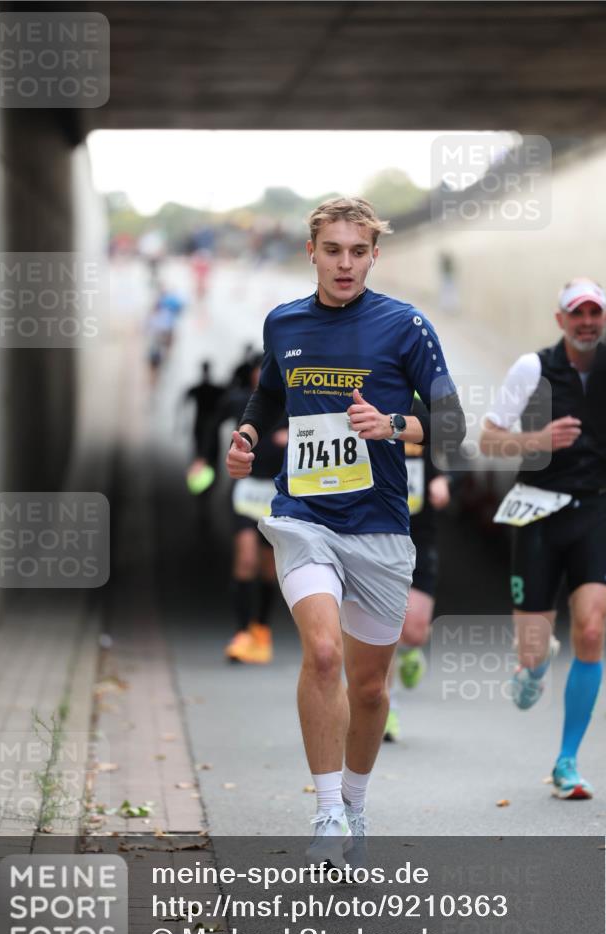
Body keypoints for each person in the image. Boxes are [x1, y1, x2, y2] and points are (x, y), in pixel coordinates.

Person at [226, 197, 465, 863]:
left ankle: (355, 805)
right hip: (304, 518)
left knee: (367, 687)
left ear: (373, 256)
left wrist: (392, 425)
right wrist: (247, 432)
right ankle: (327, 810)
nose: (344, 263)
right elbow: (269, 391)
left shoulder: (404, 326)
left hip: (380, 529)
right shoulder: (284, 322)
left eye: (357, 251)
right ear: (312, 252)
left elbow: (450, 424)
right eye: (332, 250)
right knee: (323, 655)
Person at [480, 278, 606, 800]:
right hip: (538, 513)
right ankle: (533, 666)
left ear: (604, 320)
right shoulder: (532, 369)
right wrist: (537, 440)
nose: (586, 322)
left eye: (595, 313)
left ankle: (567, 762)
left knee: (590, 628)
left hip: (594, 511)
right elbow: (489, 438)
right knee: (535, 653)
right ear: (560, 320)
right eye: (576, 313)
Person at [194, 356, 287, 664]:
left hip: (276, 494)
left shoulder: (294, 401)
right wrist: (204, 459)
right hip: (246, 492)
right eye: (261, 369)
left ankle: (261, 629)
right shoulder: (240, 401)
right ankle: (241, 631)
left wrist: (296, 438)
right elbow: (211, 424)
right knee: (245, 558)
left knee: (267, 568)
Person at [383, 397, 460, 742]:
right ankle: (386, 709)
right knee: (383, 627)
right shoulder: (364, 400)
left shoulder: (422, 410)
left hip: (420, 532)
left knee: (413, 630)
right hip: (377, 529)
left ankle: (412, 651)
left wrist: (446, 480)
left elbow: (457, 454)